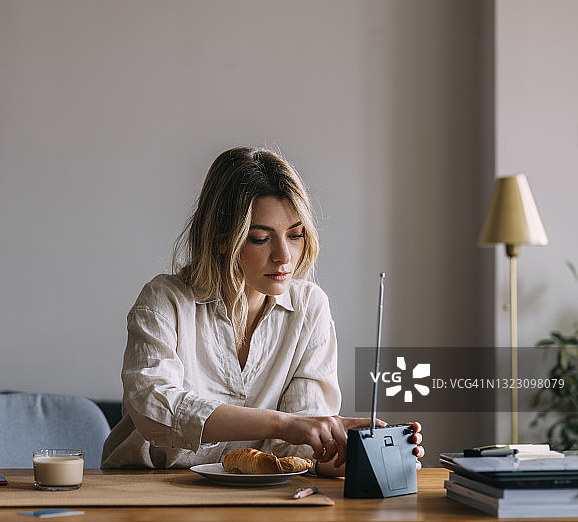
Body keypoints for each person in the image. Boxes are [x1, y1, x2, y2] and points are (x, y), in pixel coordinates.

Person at [101, 146, 423, 474]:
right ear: (221, 239)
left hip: (257, 493)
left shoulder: (310, 308)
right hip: (148, 489)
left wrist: (342, 453)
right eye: (260, 238)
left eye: (295, 235)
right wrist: (283, 424)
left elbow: (295, 448)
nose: (284, 256)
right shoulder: (164, 302)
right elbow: (155, 409)